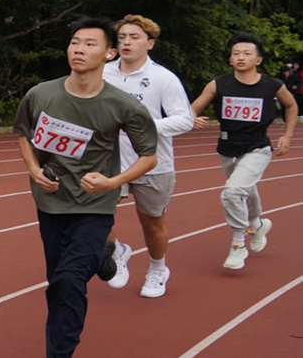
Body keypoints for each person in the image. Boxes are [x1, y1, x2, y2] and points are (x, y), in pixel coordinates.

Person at [13, 17, 158, 358]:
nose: (78, 49)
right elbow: (23, 134)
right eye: (75, 42)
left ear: (109, 54)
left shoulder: (124, 105)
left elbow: (149, 157)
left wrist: (113, 182)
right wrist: (34, 170)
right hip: (50, 201)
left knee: (68, 279)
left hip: (95, 204)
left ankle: (59, 353)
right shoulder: (40, 94)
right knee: (58, 283)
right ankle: (104, 256)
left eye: (90, 44)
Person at [102, 15, 194, 297]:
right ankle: (117, 250)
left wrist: (145, 126)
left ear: (150, 44)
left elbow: (185, 120)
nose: (126, 42)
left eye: (134, 37)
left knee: (151, 223)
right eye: (122, 37)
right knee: (94, 215)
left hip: (152, 163)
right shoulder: (103, 73)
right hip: (110, 161)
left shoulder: (163, 78)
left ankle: (157, 269)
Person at [190, 33, 296, 270]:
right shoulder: (218, 84)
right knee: (244, 189)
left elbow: (291, 105)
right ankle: (258, 225)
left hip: (257, 146)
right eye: (236, 53)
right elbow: (192, 109)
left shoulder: (272, 85)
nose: (240, 57)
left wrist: (287, 135)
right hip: (227, 147)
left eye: (247, 53)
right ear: (230, 59)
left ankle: (238, 242)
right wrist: (192, 118)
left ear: (258, 60)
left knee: (232, 192)